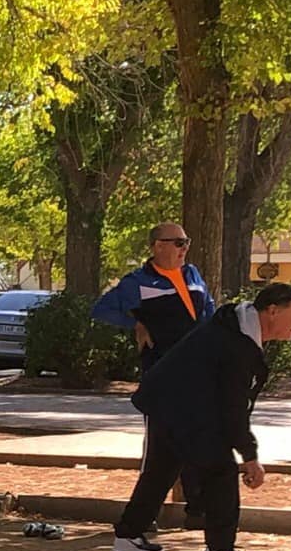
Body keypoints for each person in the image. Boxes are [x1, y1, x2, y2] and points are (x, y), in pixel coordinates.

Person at [109, 282, 291, 551]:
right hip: (179, 406)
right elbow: (234, 410)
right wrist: (250, 457)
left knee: (163, 468)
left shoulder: (238, 331)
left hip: (174, 403)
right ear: (273, 311)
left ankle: (128, 534)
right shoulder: (236, 343)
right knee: (221, 470)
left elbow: (231, 405)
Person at [91, 222, 217, 525]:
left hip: (197, 370)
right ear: (157, 246)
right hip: (161, 372)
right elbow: (102, 309)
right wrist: (136, 324)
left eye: (186, 242)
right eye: (177, 243)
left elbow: (209, 311)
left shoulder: (193, 275)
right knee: (160, 444)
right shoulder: (138, 281)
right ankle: (143, 516)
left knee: (197, 437)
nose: (184, 248)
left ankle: (198, 509)